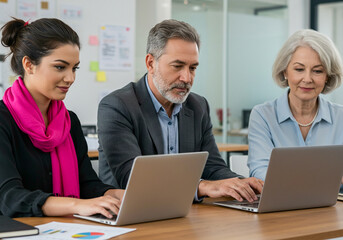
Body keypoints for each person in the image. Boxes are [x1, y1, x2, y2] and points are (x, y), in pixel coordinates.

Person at [98, 19, 263, 202]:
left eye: (193, 68)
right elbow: (131, 178)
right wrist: (201, 186)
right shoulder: (117, 106)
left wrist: (242, 184)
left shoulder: (198, 106)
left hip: (184, 213)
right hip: (133, 214)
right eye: (177, 66)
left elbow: (213, 167)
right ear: (150, 63)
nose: (186, 78)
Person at [0, 18, 124, 218]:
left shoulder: (69, 121)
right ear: (29, 65)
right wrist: (76, 205)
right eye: (60, 67)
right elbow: (10, 198)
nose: (71, 78)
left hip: (67, 230)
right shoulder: (3, 120)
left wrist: (116, 195)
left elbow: (87, 185)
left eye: (74, 68)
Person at [248, 29, 343, 181]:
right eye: (299, 69)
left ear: (328, 76)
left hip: (333, 203)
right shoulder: (263, 115)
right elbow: (260, 172)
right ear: (285, 71)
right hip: (282, 202)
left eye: (317, 71)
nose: (307, 79)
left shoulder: (340, 117)